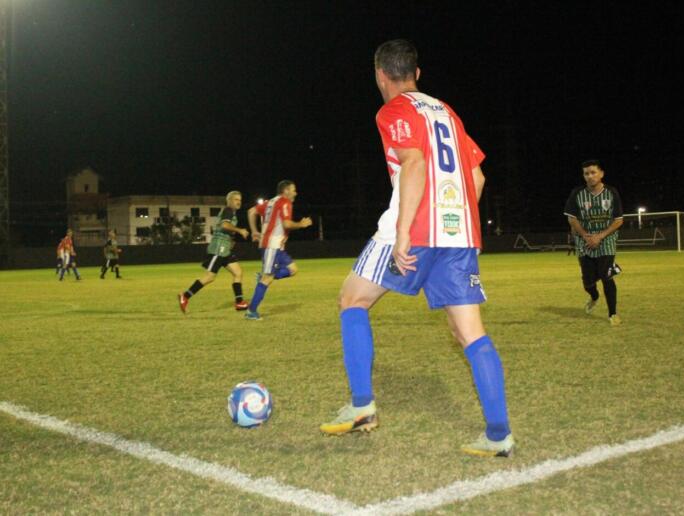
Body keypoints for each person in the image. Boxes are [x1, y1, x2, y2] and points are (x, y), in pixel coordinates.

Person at [319, 39, 514, 458]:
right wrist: (453, 220)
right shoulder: (446, 111)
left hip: (415, 226)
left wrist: (405, 229)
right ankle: (499, 435)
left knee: (351, 300)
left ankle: (361, 407)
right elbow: (477, 178)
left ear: (380, 75)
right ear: (418, 74)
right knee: (469, 332)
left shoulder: (392, 111)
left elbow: (413, 162)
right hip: (458, 232)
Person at [564, 160, 624, 326]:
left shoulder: (612, 193)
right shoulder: (577, 193)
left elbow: (618, 220)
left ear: (601, 173)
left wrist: (600, 236)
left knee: (606, 276)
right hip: (584, 240)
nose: (590, 176)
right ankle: (594, 296)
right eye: (586, 173)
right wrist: (585, 235)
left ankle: (613, 313)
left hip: (607, 240)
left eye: (593, 172)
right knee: (588, 282)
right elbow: (572, 218)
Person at [244, 180, 312, 320]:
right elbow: (287, 224)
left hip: (276, 247)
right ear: (285, 191)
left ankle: (263, 277)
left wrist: (254, 231)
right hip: (271, 246)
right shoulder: (285, 202)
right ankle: (251, 311)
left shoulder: (270, 202)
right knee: (267, 279)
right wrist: (301, 224)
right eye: (293, 190)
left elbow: (251, 212)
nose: (295, 193)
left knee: (292, 269)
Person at [177, 191, 249, 314]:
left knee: (238, 272)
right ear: (229, 201)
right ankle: (185, 296)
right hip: (218, 248)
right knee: (210, 277)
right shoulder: (228, 210)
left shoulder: (232, 213)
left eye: (240, 200)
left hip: (225, 249)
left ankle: (239, 302)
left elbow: (225, 228)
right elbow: (225, 225)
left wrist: (231, 240)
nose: (239, 202)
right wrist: (239, 230)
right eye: (236, 199)